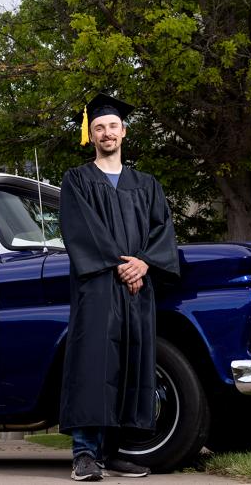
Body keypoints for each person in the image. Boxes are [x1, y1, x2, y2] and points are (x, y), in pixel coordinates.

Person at [59, 93, 180, 481]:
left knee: (129, 365)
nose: (106, 133)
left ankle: (112, 453)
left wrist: (144, 262)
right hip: (98, 288)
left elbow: (163, 231)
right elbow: (80, 230)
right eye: (99, 127)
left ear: (124, 132)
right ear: (90, 135)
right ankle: (84, 453)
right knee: (93, 364)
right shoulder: (77, 180)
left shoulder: (146, 184)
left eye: (112, 126)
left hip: (137, 289)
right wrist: (121, 265)